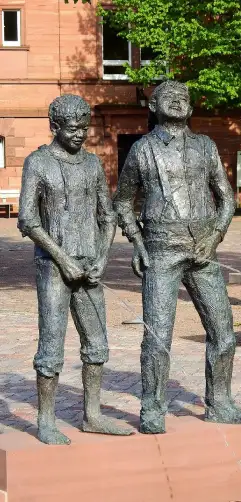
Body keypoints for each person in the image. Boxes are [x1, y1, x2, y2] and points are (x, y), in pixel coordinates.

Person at [114, 80, 241, 434]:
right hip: (161, 251)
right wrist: (137, 243)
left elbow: (226, 199)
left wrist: (216, 235)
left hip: (204, 250)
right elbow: (122, 202)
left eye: (184, 98)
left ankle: (220, 402)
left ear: (191, 108)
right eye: (169, 97)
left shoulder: (206, 147)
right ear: (153, 106)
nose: (178, 102)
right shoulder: (143, 150)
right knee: (158, 336)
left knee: (224, 333)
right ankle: (152, 407)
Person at [18, 94, 132, 444]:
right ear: (55, 127)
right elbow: (28, 219)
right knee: (51, 345)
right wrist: (62, 258)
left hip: (90, 266)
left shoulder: (93, 164)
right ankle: (46, 419)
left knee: (97, 343)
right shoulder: (37, 163)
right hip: (54, 267)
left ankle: (93, 414)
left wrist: (102, 257)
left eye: (84, 127)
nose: (80, 134)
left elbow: (107, 214)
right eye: (72, 128)